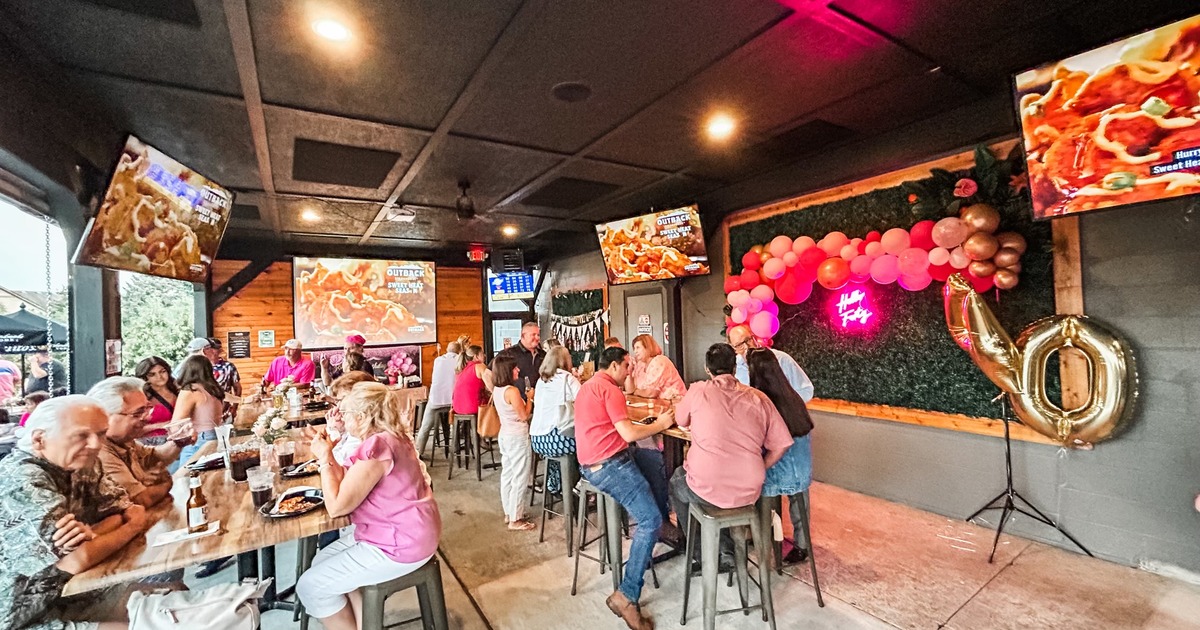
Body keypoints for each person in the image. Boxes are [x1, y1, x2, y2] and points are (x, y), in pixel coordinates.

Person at [296, 383, 441, 630]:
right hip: (410, 532)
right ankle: (366, 623)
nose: (343, 418)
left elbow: (337, 507)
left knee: (310, 587)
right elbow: (351, 482)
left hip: (401, 543)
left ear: (362, 417)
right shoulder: (393, 437)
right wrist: (330, 450)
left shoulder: (377, 448)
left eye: (347, 413)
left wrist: (324, 457)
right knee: (322, 560)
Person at [0, 395, 149, 630]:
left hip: (72, 591)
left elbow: (126, 509)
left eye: (101, 434)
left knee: (166, 595)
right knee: (151, 621)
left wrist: (94, 532)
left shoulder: (83, 463)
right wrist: (130, 527)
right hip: (20, 615)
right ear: (39, 439)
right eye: (81, 435)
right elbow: (79, 557)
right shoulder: (19, 480)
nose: (96, 444)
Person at [574, 346, 679, 630]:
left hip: (591, 461)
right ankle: (627, 594)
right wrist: (660, 424)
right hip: (608, 465)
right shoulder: (611, 391)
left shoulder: (589, 386)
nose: (630, 370)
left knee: (653, 459)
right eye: (626, 366)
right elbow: (630, 433)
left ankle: (664, 522)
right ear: (615, 367)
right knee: (648, 520)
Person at [669, 344, 793, 569]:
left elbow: (680, 419)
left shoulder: (698, 390)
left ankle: (702, 554)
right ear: (735, 368)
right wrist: (760, 466)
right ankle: (726, 549)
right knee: (720, 499)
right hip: (748, 489)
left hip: (706, 485)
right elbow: (782, 444)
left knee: (677, 481)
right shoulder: (759, 398)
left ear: (707, 369)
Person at [748, 348, 817, 565]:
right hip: (802, 474)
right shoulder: (791, 396)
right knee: (799, 500)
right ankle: (802, 545)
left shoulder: (765, 403)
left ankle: (758, 540)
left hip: (781, 474)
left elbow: (767, 443)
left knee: (750, 486)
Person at [87, 377, 191, 507]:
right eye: (138, 413)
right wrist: (166, 482)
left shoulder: (124, 441)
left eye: (147, 409)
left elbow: (155, 456)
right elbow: (140, 499)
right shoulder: (98, 450)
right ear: (105, 417)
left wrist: (178, 441)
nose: (148, 417)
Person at [492, 354, 537, 531]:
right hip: (517, 436)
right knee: (520, 476)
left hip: (505, 434)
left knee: (508, 474)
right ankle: (516, 519)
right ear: (508, 371)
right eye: (515, 368)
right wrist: (530, 398)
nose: (518, 370)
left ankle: (509, 512)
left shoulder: (497, 389)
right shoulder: (512, 391)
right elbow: (524, 415)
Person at [531, 346, 581, 497]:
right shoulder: (567, 378)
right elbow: (585, 402)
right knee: (589, 444)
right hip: (556, 439)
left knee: (564, 451)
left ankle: (556, 484)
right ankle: (577, 487)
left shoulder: (541, 381)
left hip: (537, 439)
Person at [727, 324, 814, 401]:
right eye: (739, 345)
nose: (746, 347)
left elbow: (806, 390)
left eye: (748, 340)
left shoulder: (781, 359)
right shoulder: (734, 367)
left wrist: (783, 402)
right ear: (733, 348)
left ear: (754, 337)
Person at [170, 355, 225, 473]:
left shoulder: (190, 391)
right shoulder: (213, 390)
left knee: (185, 480)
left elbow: (177, 422)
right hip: (216, 434)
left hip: (198, 439)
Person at [415, 341, 460, 458]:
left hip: (436, 400)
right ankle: (456, 447)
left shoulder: (438, 360)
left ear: (447, 350)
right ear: (459, 351)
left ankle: (418, 452)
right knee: (458, 423)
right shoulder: (459, 360)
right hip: (453, 401)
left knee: (425, 426)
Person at [624, 334, 686, 400]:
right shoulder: (640, 364)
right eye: (634, 348)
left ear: (648, 348)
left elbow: (651, 393)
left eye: (638, 348)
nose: (635, 351)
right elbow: (630, 391)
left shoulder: (659, 361)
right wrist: (629, 371)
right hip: (656, 405)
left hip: (675, 403)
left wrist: (636, 391)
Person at [492, 322, 545, 397]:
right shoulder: (508, 353)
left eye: (538, 335)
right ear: (523, 336)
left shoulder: (543, 355)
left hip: (539, 401)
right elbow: (487, 373)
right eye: (533, 335)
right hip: (517, 403)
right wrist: (499, 396)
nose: (537, 338)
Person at [134, 356, 178, 445]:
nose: (159, 377)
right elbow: (132, 431)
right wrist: (159, 425)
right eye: (152, 374)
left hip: (178, 440)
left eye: (162, 371)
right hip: (149, 444)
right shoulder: (141, 397)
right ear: (145, 377)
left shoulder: (178, 390)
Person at [207, 337, 242, 417]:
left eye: (214, 349)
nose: (212, 351)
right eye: (209, 349)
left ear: (219, 350)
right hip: (206, 411)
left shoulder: (228, 366)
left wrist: (234, 407)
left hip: (224, 410)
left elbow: (238, 387)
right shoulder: (202, 367)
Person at [452, 345, 488, 418]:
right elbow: (491, 386)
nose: (484, 356)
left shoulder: (461, 367)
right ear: (476, 356)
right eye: (482, 354)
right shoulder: (479, 366)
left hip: (457, 407)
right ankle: (485, 429)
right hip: (473, 407)